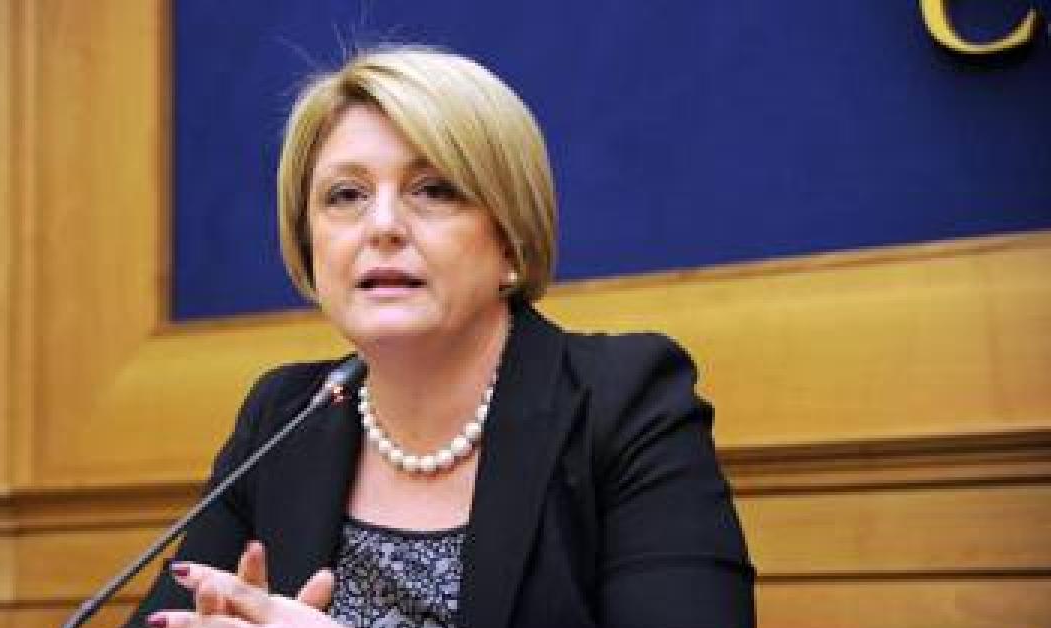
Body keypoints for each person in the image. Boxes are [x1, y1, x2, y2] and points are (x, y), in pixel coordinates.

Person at [127, 45, 754, 628]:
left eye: (433, 190)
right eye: (345, 195)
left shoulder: (623, 404)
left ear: (511, 241)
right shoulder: (285, 417)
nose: (382, 226)